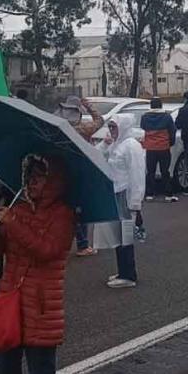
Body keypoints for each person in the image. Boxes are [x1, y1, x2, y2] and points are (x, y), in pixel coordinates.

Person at [0, 154, 74, 374]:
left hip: (41, 307)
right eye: (29, 176)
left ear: (52, 181)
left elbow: (47, 251)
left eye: (39, 178)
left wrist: (14, 225)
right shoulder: (18, 206)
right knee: (4, 372)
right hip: (11, 300)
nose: (31, 183)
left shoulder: (63, 214)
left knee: (40, 371)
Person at [93, 116, 145, 289]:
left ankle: (129, 275)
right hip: (116, 194)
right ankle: (123, 271)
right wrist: (106, 144)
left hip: (125, 196)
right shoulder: (117, 143)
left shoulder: (131, 145)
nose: (111, 130)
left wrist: (135, 203)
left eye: (114, 127)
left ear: (123, 126)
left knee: (126, 236)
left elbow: (137, 175)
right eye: (110, 126)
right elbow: (97, 156)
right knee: (118, 235)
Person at [53, 96, 103, 257]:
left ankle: (59, 242)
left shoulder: (56, 128)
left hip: (60, 171)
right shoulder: (82, 128)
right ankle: (83, 244)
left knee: (66, 207)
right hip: (81, 171)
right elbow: (100, 120)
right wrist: (89, 106)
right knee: (81, 209)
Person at [141, 98, 177, 204]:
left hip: (150, 148)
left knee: (150, 172)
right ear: (161, 105)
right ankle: (168, 194)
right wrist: (170, 143)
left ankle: (149, 194)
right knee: (165, 171)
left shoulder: (145, 117)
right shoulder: (166, 117)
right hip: (163, 147)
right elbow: (172, 130)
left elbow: (143, 128)